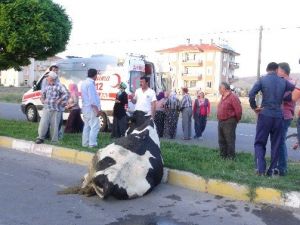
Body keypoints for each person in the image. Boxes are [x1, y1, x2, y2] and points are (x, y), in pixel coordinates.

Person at [249, 62, 295, 176]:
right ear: (276, 69)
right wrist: (288, 97)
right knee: (276, 144)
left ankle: (260, 169)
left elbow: (251, 94)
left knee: (260, 143)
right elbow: (295, 90)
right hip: (278, 116)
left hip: (265, 115)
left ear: (267, 69)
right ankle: (271, 171)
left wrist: (255, 107)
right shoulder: (283, 81)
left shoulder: (263, 79)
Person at [35, 71, 69, 144]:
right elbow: (43, 95)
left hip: (56, 109)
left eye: (48, 77)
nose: (47, 78)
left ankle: (54, 140)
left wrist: (60, 100)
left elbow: (66, 94)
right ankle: (40, 138)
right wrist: (42, 99)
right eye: (47, 77)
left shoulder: (59, 86)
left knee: (55, 125)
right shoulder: (47, 86)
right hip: (47, 107)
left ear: (52, 78)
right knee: (43, 123)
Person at [276, 62, 295, 176]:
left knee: (280, 142)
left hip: (285, 115)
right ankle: (280, 166)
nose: (276, 72)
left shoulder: (290, 82)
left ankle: (282, 168)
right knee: (279, 141)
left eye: (277, 70)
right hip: (281, 115)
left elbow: (286, 97)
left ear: (282, 71)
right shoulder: (284, 82)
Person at [217, 82, 242, 159]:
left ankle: (230, 157)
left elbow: (238, 110)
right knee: (221, 140)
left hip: (229, 121)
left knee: (229, 140)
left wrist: (235, 120)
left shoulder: (233, 97)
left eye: (220, 88)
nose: (219, 90)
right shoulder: (222, 97)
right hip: (221, 121)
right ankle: (223, 156)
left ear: (224, 89)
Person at [81, 68, 101, 148]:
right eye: (97, 75)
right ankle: (92, 144)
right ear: (95, 75)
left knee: (87, 126)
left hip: (85, 108)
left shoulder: (84, 83)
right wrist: (97, 110)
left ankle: (85, 143)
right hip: (91, 109)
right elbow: (92, 99)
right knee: (95, 126)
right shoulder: (90, 84)